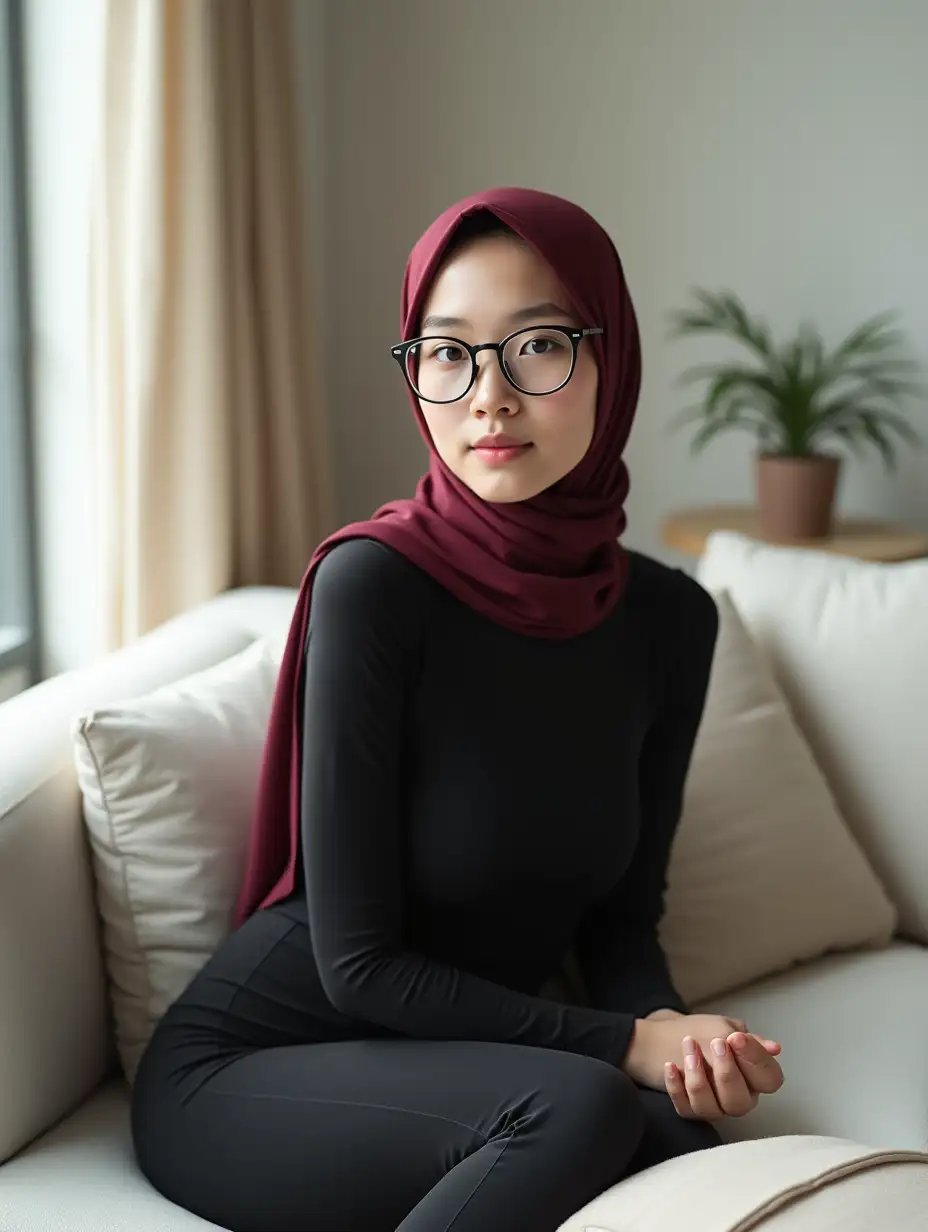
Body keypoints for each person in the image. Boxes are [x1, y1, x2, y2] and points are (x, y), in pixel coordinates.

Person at [130, 186, 784, 1232]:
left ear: (607, 361)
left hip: (475, 1059)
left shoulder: (669, 620)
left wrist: (674, 1031)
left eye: (536, 346)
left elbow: (620, 921)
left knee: (696, 1138)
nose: (488, 396)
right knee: (576, 1100)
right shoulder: (375, 585)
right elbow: (356, 966)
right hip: (260, 1066)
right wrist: (621, 1043)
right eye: (446, 352)